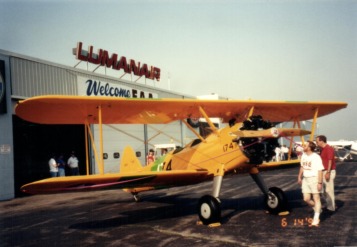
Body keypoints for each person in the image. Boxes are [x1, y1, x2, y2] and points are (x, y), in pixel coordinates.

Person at [297, 141, 324, 226]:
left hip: (314, 179)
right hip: (306, 179)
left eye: (305, 145)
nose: (303, 146)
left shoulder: (316, 157)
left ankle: (316, 219)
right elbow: (302, 167)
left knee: (316, 198)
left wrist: (319, 182)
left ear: (309, 148)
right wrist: (299, 176)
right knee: (306, 199)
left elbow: (320, 170)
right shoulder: (304, 155)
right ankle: (318, 208)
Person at [316, 135, 336, 212]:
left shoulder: (328, 149)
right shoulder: (323, 149)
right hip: (324, 171)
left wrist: (328, 172)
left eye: (317, 141)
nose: (316, 143)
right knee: (324, 191)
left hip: (328, 171)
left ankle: (331, 208)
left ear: (322, 141)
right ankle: (330, 205)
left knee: (329, 190)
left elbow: (330, 161)